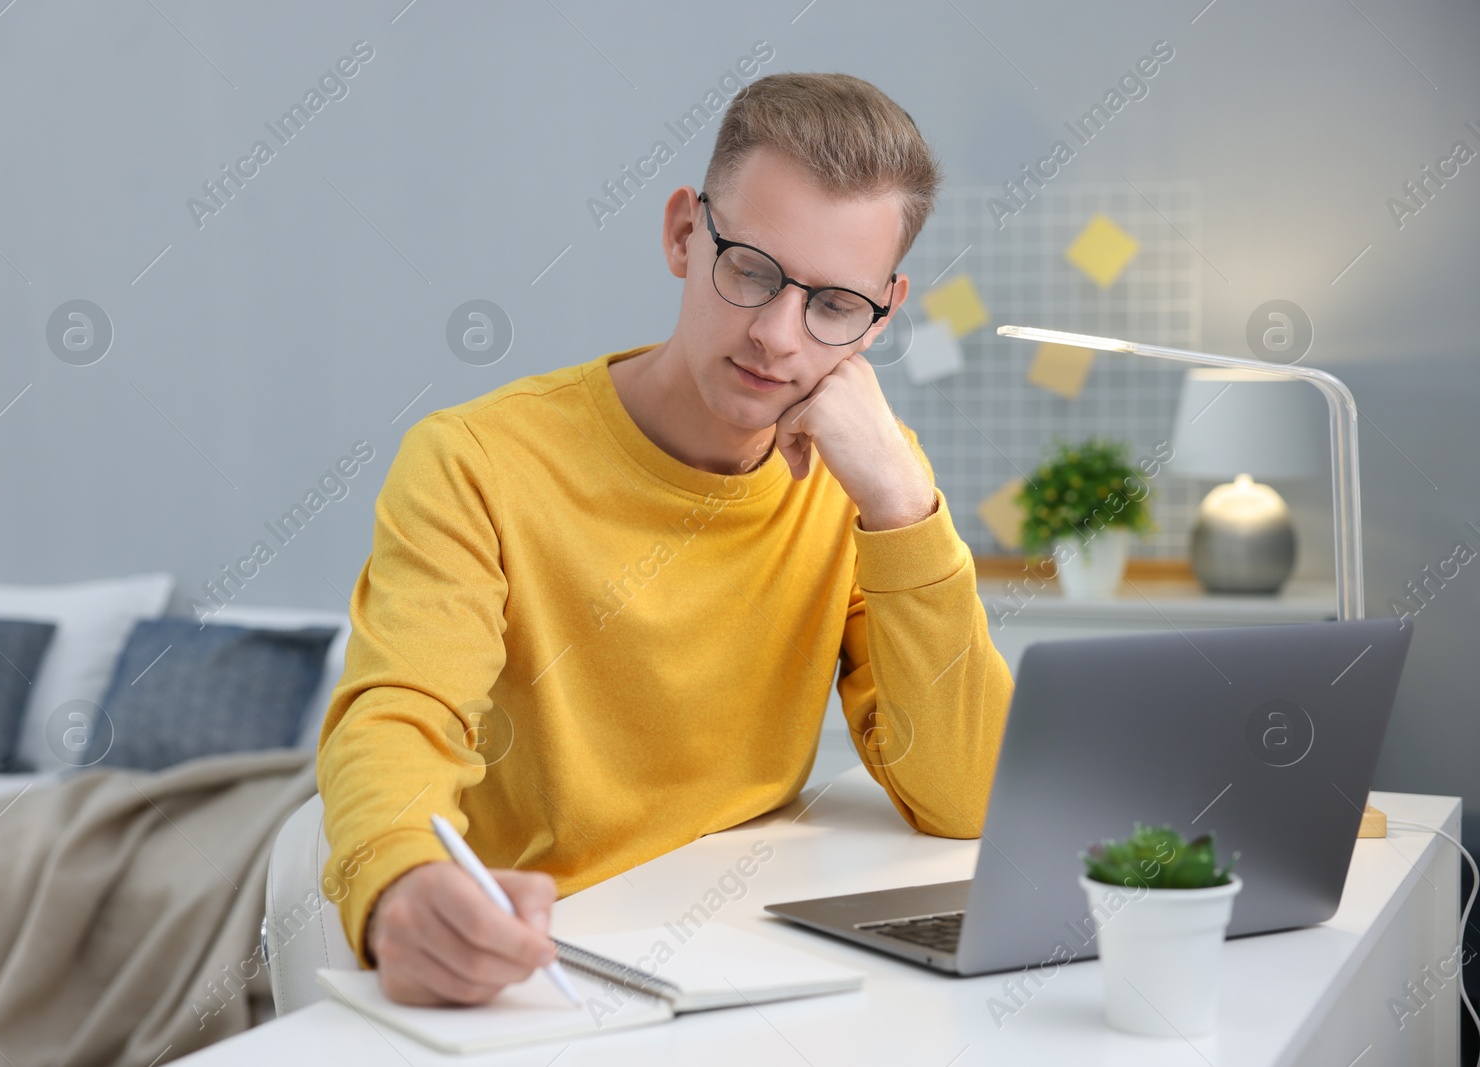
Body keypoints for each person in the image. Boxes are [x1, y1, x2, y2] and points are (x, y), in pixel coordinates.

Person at [316, 71, 1014, 1007]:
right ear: (685, 233)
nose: (777, 333)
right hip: (538, 960)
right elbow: (399, 713)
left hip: (741, 954)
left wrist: (897, 500)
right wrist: (402, 880)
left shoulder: (872, 481)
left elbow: (966, 795)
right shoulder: (474, 459)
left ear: (884, 311)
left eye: (835, 306)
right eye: (752, 271)